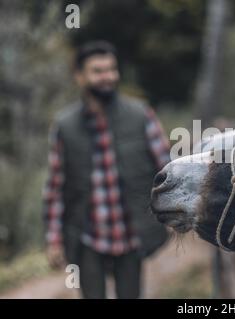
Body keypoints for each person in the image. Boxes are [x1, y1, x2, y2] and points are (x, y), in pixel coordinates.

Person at [43, 41, 170, 298]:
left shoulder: (140, 115)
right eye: (98, 71)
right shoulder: (64, 126)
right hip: (86, 236)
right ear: (80, 76)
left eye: (112, 69)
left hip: (131, 233)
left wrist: (173, 213)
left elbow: (166, 171)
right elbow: (55, 188)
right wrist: (54, 239)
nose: (108, 77)